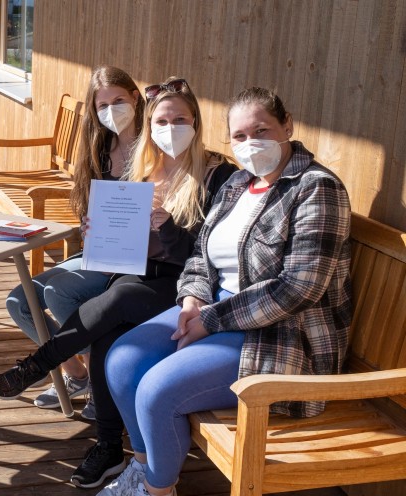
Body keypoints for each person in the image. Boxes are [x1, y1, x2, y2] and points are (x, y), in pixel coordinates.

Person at [99, 87, 352, 496]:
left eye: (262, 131)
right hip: (212, 313)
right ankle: (143, 467)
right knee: (123, 363)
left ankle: (156, 489)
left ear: (287, 126)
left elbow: (299, 288)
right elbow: (201, 254)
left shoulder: (316, 188)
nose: (251, 143)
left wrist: (210, 320)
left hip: (279, 336)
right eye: (240, 136)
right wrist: (192, 298)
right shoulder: (237, 183)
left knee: (157, 392)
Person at [0, 77, 237, 489]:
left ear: (196, 121)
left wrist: (167, 226)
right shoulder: (142, 168)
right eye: (161, 121)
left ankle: (38, 364)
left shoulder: (217, 174)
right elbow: (122, 240)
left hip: (180, 283)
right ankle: (107, 448)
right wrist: (99, 231)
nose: (170, 128)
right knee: (106, 336)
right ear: (149, 124)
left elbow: (204, 253)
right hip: (134, 273)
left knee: (117, 302)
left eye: (180, 120)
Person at [4, 66, 144, 420]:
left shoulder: (153, 149)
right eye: (103, 105)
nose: (111, 110)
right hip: (98, 252)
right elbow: (89, 208)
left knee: (60, 293)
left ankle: (101, 384)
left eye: (119, 100)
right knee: (19, 301)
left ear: (136, 98)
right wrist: (89, 223)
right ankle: (77, 374)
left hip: (135, 259)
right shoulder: (99, 148)